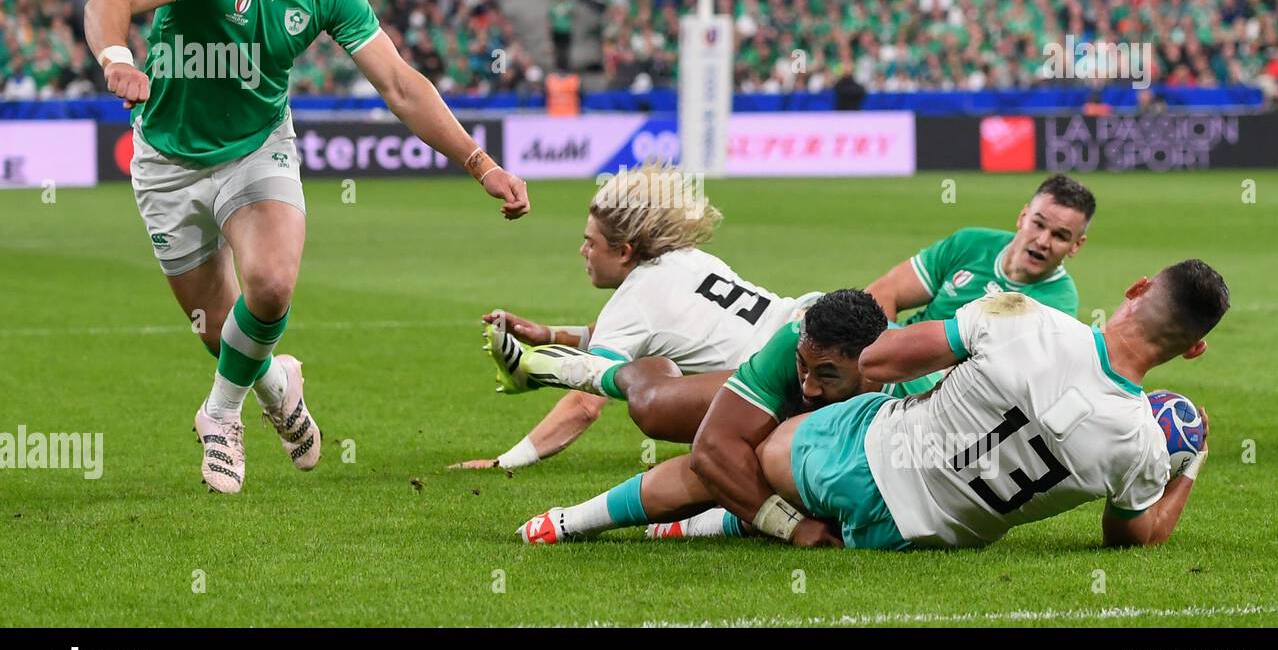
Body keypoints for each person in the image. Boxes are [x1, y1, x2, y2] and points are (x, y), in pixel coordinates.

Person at [82, 0, 529, 494]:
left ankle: (220, 418)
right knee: (221, 333)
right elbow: (107, 0)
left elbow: (401, 86)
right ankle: (278, 387)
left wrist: (478, 160)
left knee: (270, 284)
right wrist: (117, 59)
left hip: (257, 149)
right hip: (167, 162)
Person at [689, 261, 1228, 550]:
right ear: (1194, 349)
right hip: (916, 539)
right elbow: (1134, 536)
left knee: (753, 444)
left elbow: (876, 362)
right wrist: (1190, 462)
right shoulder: (1141, 447)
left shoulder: (1023, 315)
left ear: (1136, 289)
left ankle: (693, 523)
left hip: (857, 460)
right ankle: (742, 520)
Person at [450, 162, 809, 470]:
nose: (583, 251)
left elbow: (585, 402)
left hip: (790, 390)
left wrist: (506, 461)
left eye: (591, 242)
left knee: (700, 450)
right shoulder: (688, 258)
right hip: (811, 329)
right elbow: (652, 334)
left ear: (624, 251)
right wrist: (550, 335)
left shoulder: (632, 303)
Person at [513, 289, 943, 544]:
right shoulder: (794, 346)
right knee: (654, 406)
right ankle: (581, 369)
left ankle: (699, 523)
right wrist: (791, 528)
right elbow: (712, 453)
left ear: (871, 362)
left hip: (838, 435)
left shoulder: (921, 392)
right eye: (804, 367)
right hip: (754, 386)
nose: (810, 385)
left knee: (778, 472)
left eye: (827, 373)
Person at [866, 174, 1094, 323]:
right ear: (1022, 217)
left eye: (1060, 236)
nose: (1043, 241)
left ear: (1076, 246)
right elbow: (884, 293)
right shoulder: (970, 243)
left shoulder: (1056, 306)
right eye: (1038, 224)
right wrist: (883, 353)